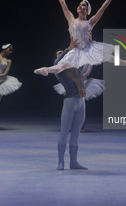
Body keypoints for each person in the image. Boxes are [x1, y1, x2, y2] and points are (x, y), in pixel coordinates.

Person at [34, 0, 126, 76]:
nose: (80, 6)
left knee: (107, 56)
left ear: (87, 9)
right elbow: (63, 3)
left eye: (83, 5)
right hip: (76, 50)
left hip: (88, 47)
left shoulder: (90, 21)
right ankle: (46, 69)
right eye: (79, 5)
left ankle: (123, 62)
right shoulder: (71, 19)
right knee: (62, 65)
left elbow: (103, 8)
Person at [53, 37, 88, 170]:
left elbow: (86, 61)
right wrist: (68, 48)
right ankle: (60, 162)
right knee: (64, 132)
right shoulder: (59, 70)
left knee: (76, 134)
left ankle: (73, 162)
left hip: (81, 103)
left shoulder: (76, 67)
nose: (61, 55)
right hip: (69, 102)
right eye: (58, 53)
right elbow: (57, 61)